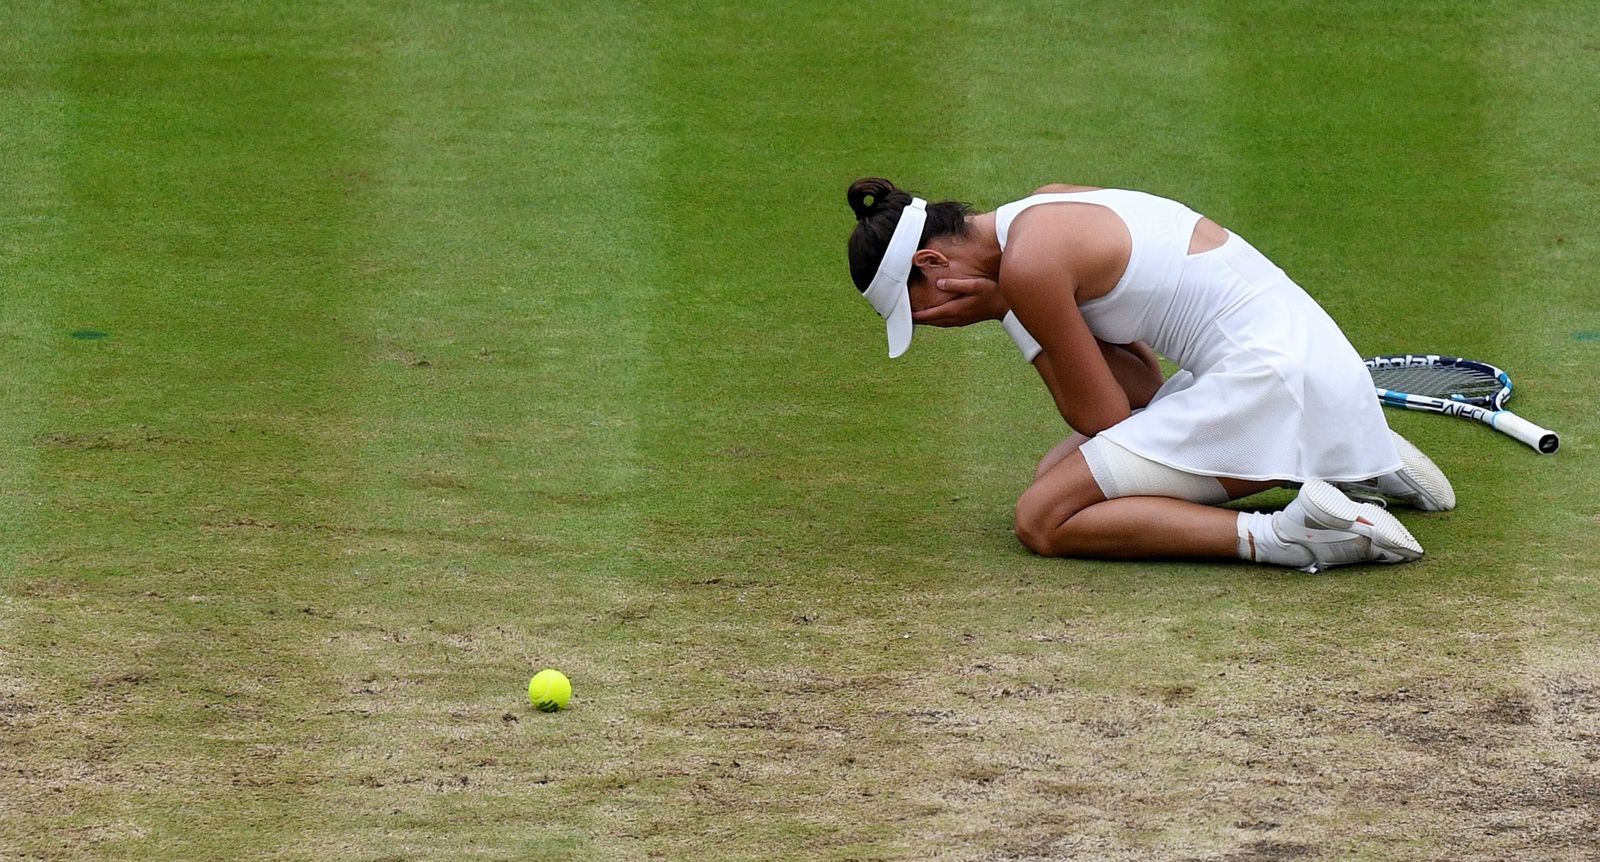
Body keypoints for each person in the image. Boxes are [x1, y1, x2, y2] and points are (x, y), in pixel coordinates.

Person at [845, 177, 1455, 572]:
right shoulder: (1047, 206)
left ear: (932, 261)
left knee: (1043, 519)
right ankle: (1355, 454)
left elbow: (1104, 417)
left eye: (920, 310)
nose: (935, 324)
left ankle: (1289, 535)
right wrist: (1013, 302)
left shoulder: (1029, 269)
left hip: (1271, 384)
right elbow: (1141, 385)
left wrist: (1010, 308)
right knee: (1056, 476)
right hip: (1309, 369)